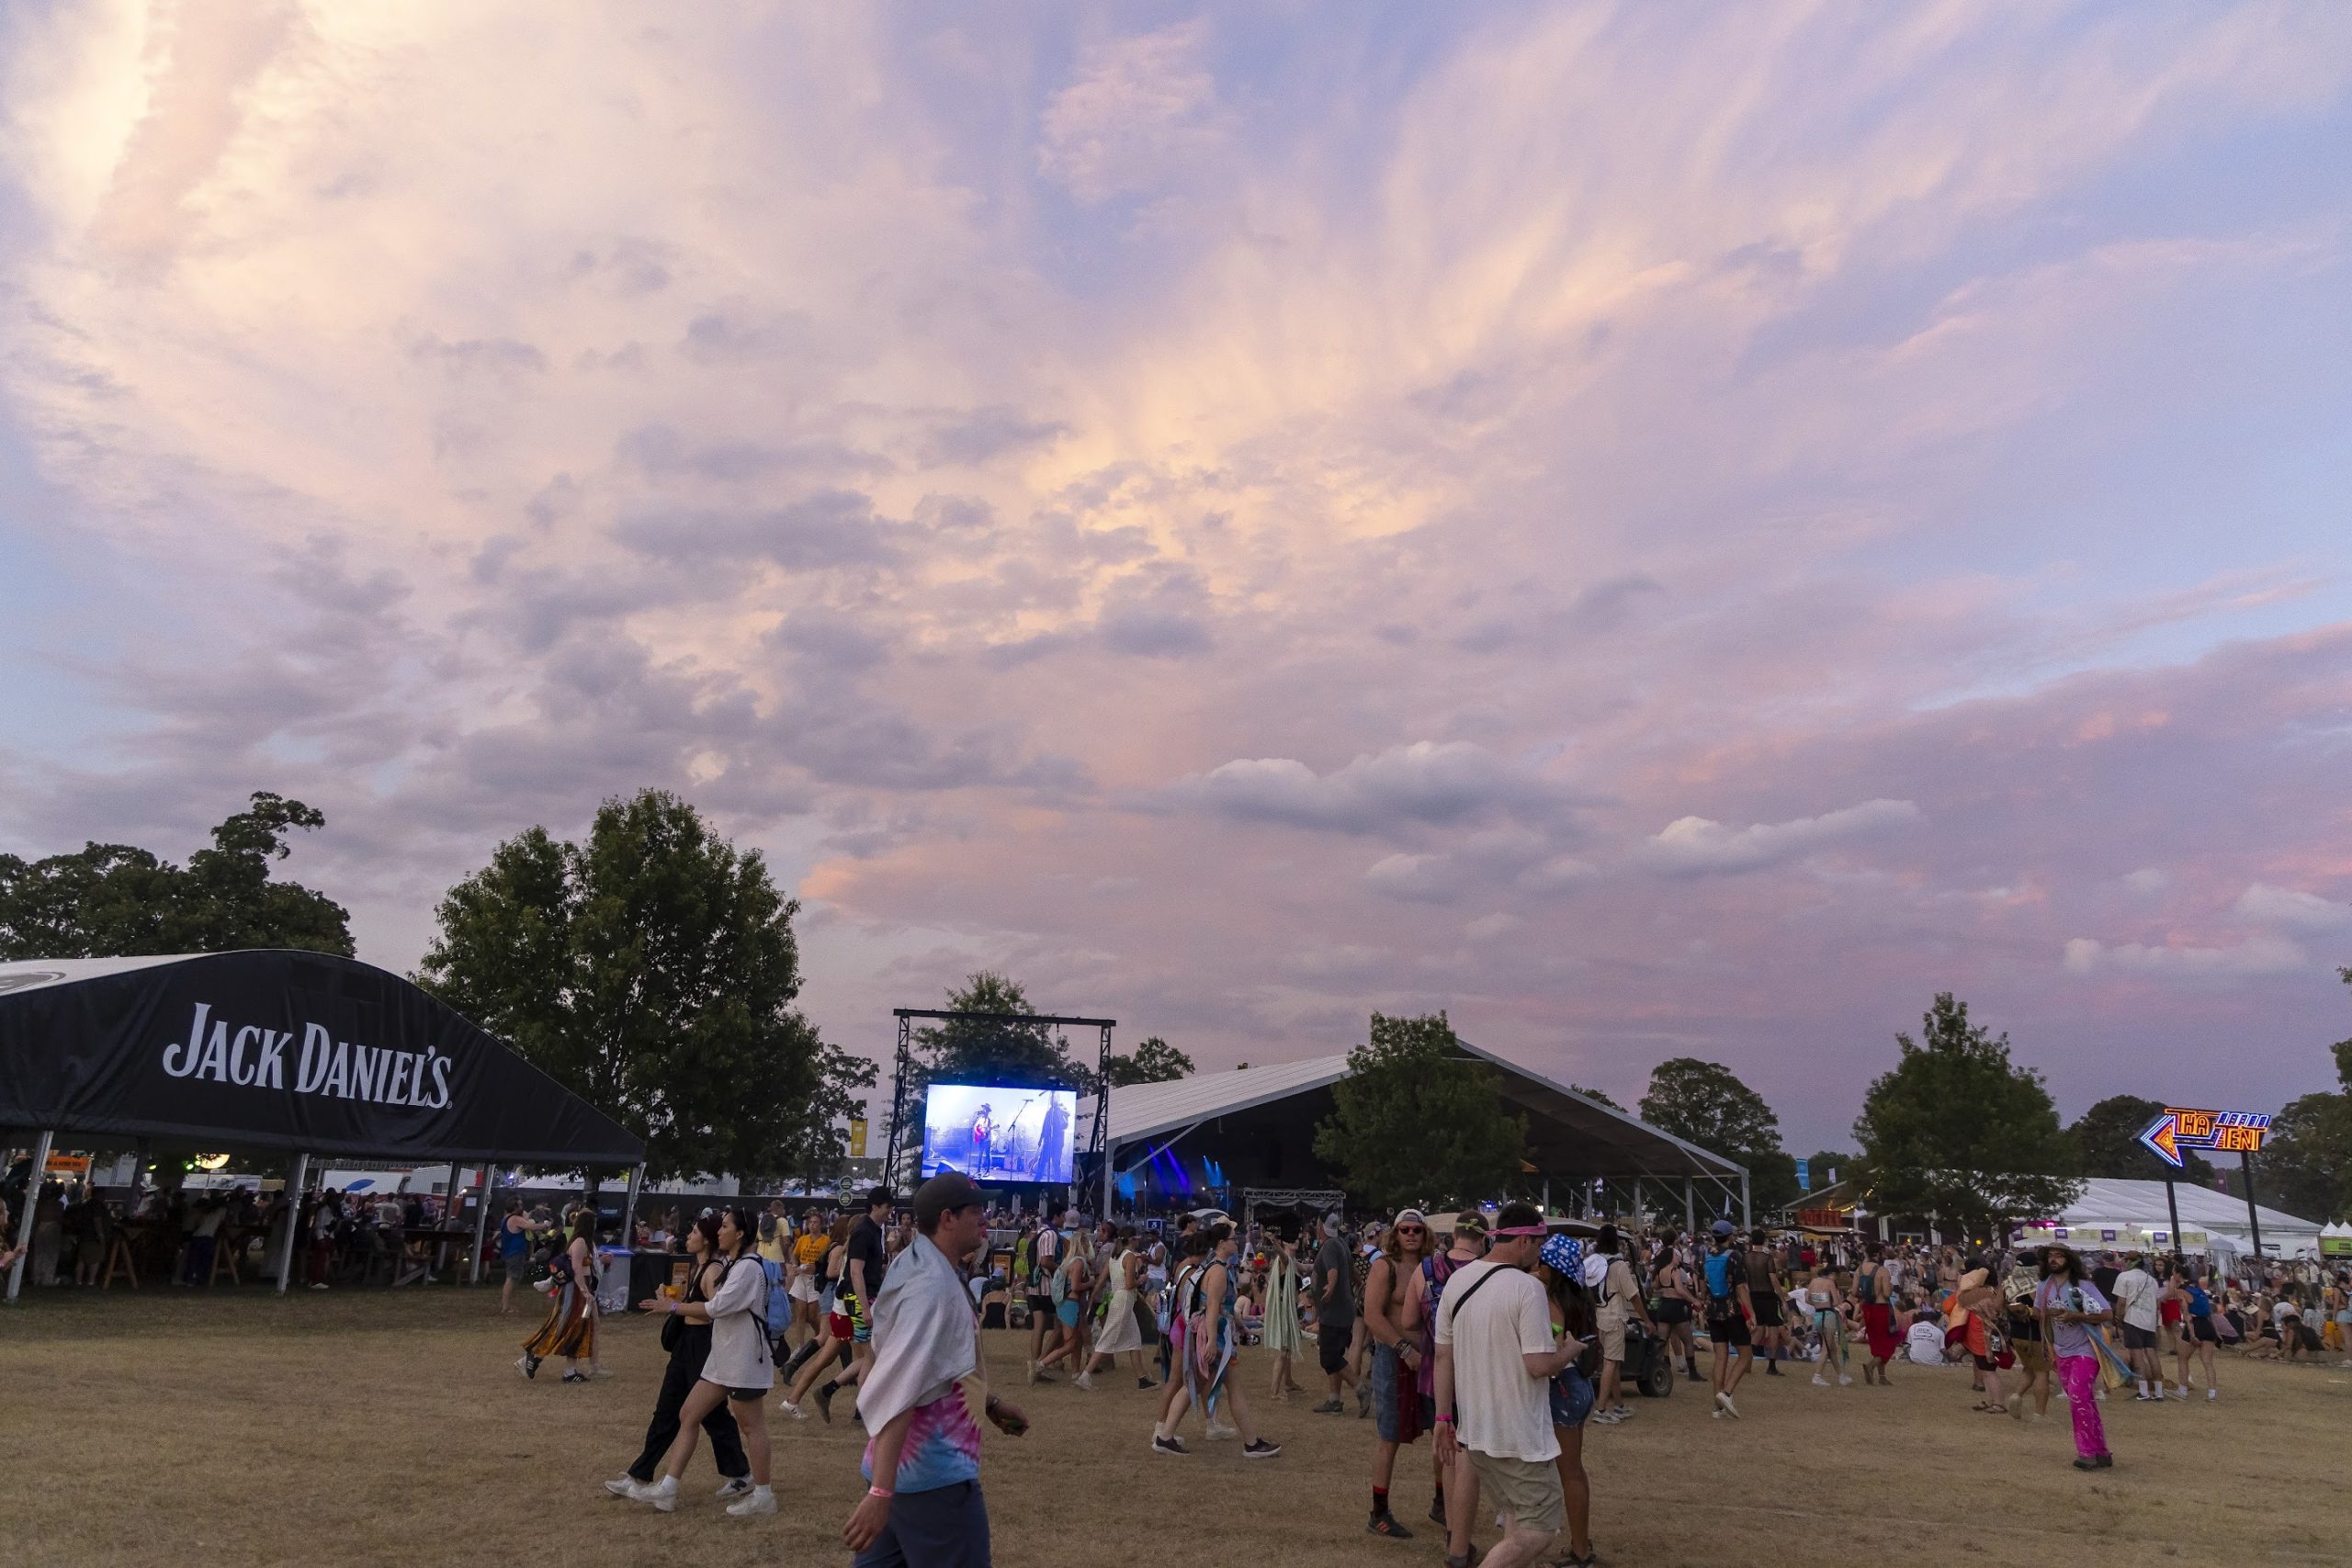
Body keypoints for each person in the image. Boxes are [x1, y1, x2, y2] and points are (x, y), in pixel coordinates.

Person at [842, 1172, 1029, 1567]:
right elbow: (901, 1388)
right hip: (932, 1483)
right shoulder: (932, 1288)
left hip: (903, 1476)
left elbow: (928, 1363)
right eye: (976, 1210)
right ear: (947, 1218)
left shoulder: (918, 1262)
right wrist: (881, 1493)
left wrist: (989, 1403)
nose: (984, 1218)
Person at [1432, 1203, 1576, 1568]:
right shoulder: (1528, 1288)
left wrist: (1443, 1417)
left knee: (1516, 1516)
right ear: (1524, 1240)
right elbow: (1538, 1364)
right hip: (1520, 1438)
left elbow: (1443, 1356)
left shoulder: (1457, 1281)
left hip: (1477, 1433)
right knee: (1540, 1528)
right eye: (1538, 1245)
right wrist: (1569, 1352)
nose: (1540, 1255)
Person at [625, 1206, 776, 1515]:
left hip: (744, 1358)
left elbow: (715, 1308)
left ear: (740, 1234)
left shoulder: (748, 1268)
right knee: (689, 1414)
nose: (719, 1231)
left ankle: (763, 1495)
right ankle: (668, 1488)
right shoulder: (734, 1265)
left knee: (751, 1426)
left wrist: (672, 1307)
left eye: (725, 1226)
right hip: (722, 1358)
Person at [1185, 1221, 1281, 1459]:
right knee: (1229, 1388)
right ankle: (1251, 1443)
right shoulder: (1218, 1270)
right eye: (1232, 1238)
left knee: (1195, 1384)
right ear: (1221, 1244)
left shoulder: (1217, 1267)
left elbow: (1222, 1308)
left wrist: (1241, 1327)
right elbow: (1213, 1307)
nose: (1236, 1241)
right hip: (1218, 1338)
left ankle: (1165, 1433)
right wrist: (1211, 1341)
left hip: (1218, 1335)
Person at [1363, 1209, 1432, 1538]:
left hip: (1430, 1359)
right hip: (1394, 1361)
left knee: (1443, 1428)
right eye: (1405, 1230)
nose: (1411, 1235)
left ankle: (1442, 1502)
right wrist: (1405, 1350)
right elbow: (1372, 1316)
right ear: (1395, 1233)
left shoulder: (1431, 1266)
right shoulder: (1384, 1266)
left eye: (1417, 1230)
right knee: (1389, 1436)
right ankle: (1378, 1513)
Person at [1531, 1233, 1597, 1568]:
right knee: (1576, 1471)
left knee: (1569, 1474)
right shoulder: (1580, 1298)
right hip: (1580, 1384)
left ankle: (1581, 1552)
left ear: (1552, 1268)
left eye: (1541, 1262)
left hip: (1563, 1389)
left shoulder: (1550, 1301)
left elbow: (1553, 1348)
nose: (1536, 1266)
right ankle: (1580, 1543)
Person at [2034, 1246, 2114, 1471]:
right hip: (2060, 1350)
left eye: (2059, 1256)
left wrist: (2075, 1316)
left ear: (2069, 1260)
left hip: (2086, 1349)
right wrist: (2033, 1312)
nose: (2054, 1260)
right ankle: (2101, 1451)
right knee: (2084, 1401)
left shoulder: (2084, 1286)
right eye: (2050, 1256)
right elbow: (2038, 1312)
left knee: (2078, 1398)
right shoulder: (2044, 1286)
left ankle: (2086, 1453)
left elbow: (2107, 1313)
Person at [520, 1210, 600, 1382]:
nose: (595, 1226)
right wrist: (585, 1291)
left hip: (581, 1288)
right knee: (563, 1324)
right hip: (575, 1290)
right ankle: (535, 1354)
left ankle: (570, 1371)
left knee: (577, 1328)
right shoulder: (579, 1242)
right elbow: (577, 1269)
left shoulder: (585, 1242)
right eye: (593, 1222)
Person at [1585, 1224, 1652, 1426]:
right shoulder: (1619, 1266)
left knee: (1611, 1361)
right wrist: (1647, 1320)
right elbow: (1634, 1296)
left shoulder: (1594, 1262)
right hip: (1615, 1317)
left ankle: (1619, 1404)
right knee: (1611, 1363)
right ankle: (1601, 1409)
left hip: (1599, 1316)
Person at [1700, 1221, 1751, 1418]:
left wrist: (1703, 1303)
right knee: (1745, 1354)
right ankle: (1727, 1393)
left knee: (1720, 1357)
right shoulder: (1734, 1256)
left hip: (1712, 1311)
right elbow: (1741, 1288)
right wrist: (1751, 1313)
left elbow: (1703, 1284)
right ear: (1730, 1236)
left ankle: (1717, 1407)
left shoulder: (1705, 1255)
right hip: (1731, 1311)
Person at [1313, 1213, 1359, 1414]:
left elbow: (1333, 1271)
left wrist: (1330, 1287)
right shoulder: (1340, 1243)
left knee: (1329, 1357)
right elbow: (1352, 1270)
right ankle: (1334, 1400)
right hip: (1341, 1309)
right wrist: (1361, 1285)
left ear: (1320, 1226)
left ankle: (1361, 1389)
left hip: (1334, 1311)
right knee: (1335, 1355)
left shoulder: (1330, 1245)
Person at [2111, 1253, 2165, 1400]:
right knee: (2151, 1354)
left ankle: (2144, 1391)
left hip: (2133, 1319)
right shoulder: (2152, 1280)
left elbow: (2121, 1302)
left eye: (2126, 1260)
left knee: (2137, 1355)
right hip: (2149, 1320)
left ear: (2131, 1262)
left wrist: (2118, 1317)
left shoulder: (2124, 1277)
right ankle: (2159, 1392)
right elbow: (2157, 1303)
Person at [1261, 1231, 1302, 1400]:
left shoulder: (1292, 1261)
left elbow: (1306, 1267)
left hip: (1288, 1308)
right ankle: (1274, 1391)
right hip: (1284, 1310)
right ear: (1285, 1243)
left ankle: (1288, 1381)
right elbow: (1281, 1254)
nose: (1295, 1241)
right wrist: (1274, 1242)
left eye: (1296, 1239)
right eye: (1291, 1240)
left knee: (1287, 1346)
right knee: (1283, 1350)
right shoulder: (1284, 1259)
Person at [1745, 1229, 1788, 1377]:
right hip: (1768, 1296)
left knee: (1759, 1329)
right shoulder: (1767, 1258)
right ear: (1764, 1241)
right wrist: (1782, 1299)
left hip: (1753, 1295)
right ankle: (1772, 1366)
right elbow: (1774, 1280)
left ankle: (1746, 1361)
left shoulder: (1746, 1257)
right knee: (1774, 1329)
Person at [498, 1201, 551, 1315]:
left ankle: (506, 1304)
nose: (522, 1207)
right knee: (511, 1278)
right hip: (514, 1253)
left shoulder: (506, 1218)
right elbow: (531, 1226)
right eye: (520, 1205)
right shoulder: (515, 1219)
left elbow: (526, 1219)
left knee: (515, 1277)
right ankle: (505, 1306)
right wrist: (545, 1224)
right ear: (515, 1206)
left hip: (512, 1252)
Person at [1804, 1258, 1850, 1387]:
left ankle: (1841, 1376)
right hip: (1828, 1315)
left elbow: (1807, 1299)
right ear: (1833, 1274)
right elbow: (1836, 1302)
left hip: (1818, 1315)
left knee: (1831, 1348)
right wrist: (1829, 1302)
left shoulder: (1813, 1281)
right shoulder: (1830, 1283)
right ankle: (1817, 1376)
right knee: (1827, 1348)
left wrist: (1818, 1303)